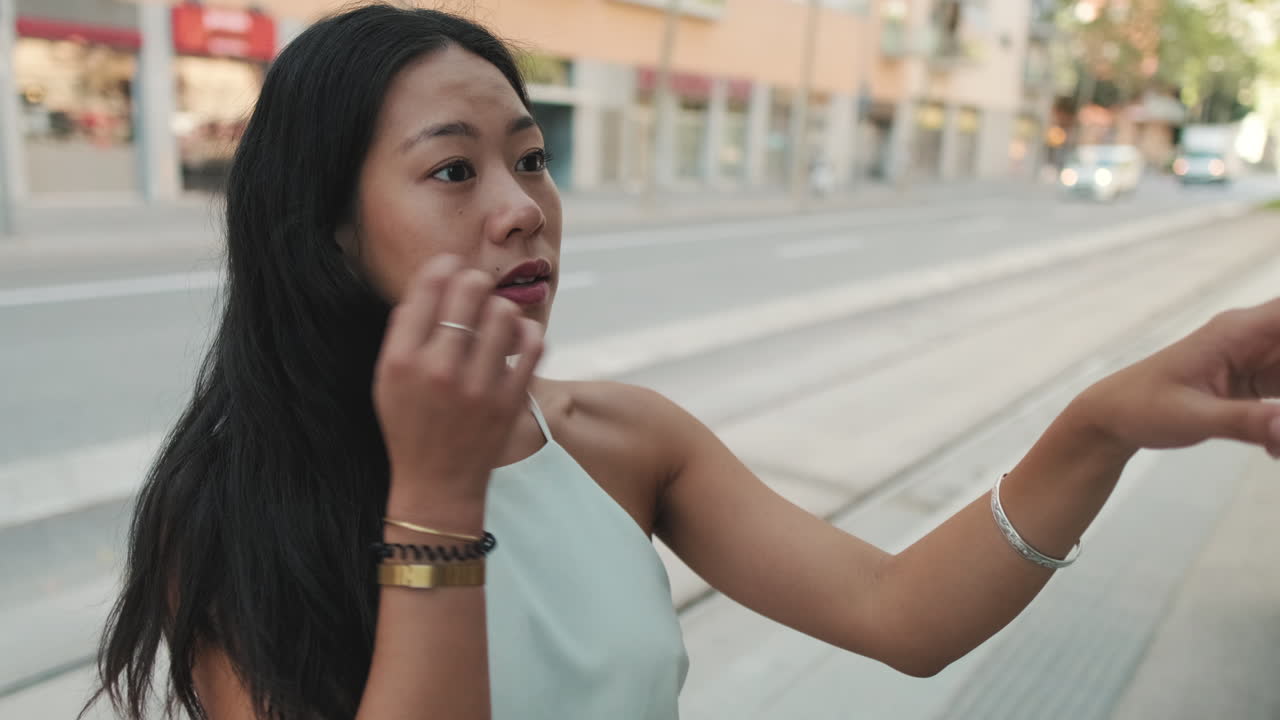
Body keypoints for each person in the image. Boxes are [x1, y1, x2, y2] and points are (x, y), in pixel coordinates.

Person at [88, 5, 1280, 720]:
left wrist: (1101, 421)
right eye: (454, 171)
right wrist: (438, 500)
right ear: (329, 232)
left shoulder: (619, 441)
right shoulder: (232, 515)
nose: (520, 209)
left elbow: (898, 612)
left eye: (532, 159)